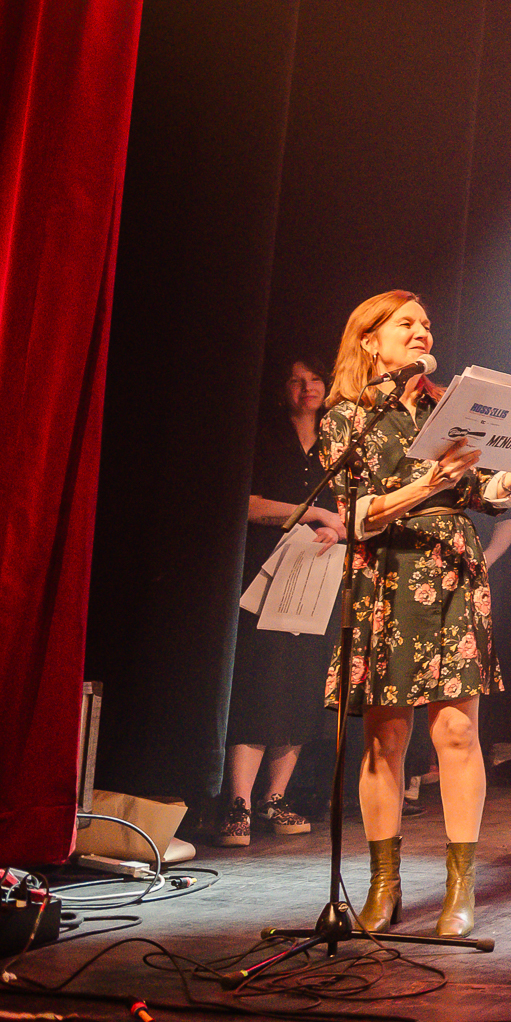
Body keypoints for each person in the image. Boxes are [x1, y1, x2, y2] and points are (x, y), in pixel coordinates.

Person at [321, 290, 511, 936]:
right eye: (407, 323)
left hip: (451, 572)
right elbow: (355, 514)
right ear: (370, 339)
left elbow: (486, 494)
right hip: (386, 572)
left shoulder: (447, 407)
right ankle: (384, 885)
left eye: (426, 323)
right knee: (385, 737)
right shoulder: (347, 417)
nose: (423, 331)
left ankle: (460, 887)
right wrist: (425, 484)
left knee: (455, 732)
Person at [216, 357, 348, 847]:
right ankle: (238, 804)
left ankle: (275, 799)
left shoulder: (339, 441)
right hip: (266, 574)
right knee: (259, 684)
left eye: (314, 379)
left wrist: (337, 528)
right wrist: (313, 513)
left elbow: (354, 511)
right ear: (281, 388)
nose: (307, 387)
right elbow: (245, 503)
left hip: (320, 574)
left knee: (302, 685)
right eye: (296, 380)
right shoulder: (265, 439)